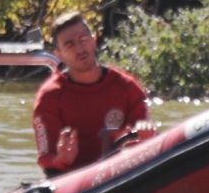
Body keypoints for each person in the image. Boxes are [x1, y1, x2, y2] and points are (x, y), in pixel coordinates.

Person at [32, 11, 150, 176]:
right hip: (72, 184)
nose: (80, 48)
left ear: (94, 40)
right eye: (70, 44)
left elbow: (144, 135)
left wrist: (145, 136)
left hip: (121, 176)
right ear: (59, 54)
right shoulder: (49, 97)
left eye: (83, 39)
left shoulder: (126, 87)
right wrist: (61, 159)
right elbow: (46, 158)